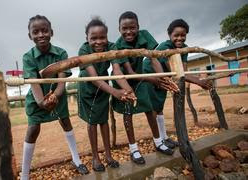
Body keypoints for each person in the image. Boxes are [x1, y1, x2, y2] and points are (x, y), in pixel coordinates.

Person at [21, 15, 89, 180]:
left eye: (44, 30)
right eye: (35, 32)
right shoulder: (28, 57)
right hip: (37, 99)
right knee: (32, 130)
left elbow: (61, 81)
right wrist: (41, 102)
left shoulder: (61, 53)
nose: (41, 34)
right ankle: (24, 174)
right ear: (30, 36)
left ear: (51, 32)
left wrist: (55, 97)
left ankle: (76, 159)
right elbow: (34, 83)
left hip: (57, 96)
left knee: (65, 122)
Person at [112, 11, 176, 165]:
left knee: (149, 109)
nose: (129, 31)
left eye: (132, 27)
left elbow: (154, 59)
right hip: (125, 81)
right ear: (119, 29)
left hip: (140, 79)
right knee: (128, 113)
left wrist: (163, 78)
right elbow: (130, 72)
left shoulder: (145, 35)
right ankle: (133, 149)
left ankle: (158, 141)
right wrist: (154, 80)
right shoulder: (118, 45)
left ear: (138, 27)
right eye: (124, 28)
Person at [78, 17, 136, 172]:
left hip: (104, 90)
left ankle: (108, 155)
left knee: (103, 121)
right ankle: (96, 158)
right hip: (88, 90)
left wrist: (128, 90)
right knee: (92, 122)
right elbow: (95, 78)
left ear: (107, 36)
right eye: (93, 38)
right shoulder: (83, 50)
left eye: (102, 37)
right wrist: (115, 92)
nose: (98, 42)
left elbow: (116, 71)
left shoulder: (112, 47)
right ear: (87, 38)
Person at [143, 19, 212, 147]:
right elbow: (176, 71)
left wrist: (199, 80)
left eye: (183, 35)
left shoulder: (184, 49)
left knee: (159, 107)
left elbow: (184, 70)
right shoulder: (165, 47)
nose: (180, 38)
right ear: (170, 35)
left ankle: (164, 137)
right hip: (151, 76)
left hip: (165, 77)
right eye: (176, 35)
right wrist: (198, 81)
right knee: (153, 108)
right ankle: (158, 140)